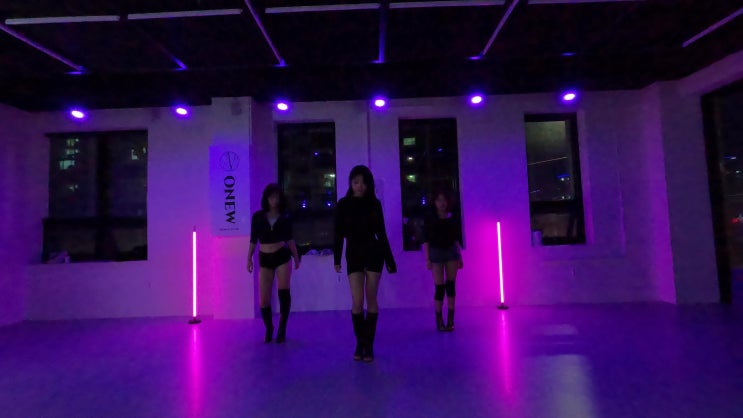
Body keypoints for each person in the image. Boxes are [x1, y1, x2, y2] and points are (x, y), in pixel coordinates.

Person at [334, 165, 396, 362]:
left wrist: (389, 259)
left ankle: (368, 345)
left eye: (363, 183)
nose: (359, 186)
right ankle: (360, 342)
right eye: (356, 182)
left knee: (371, 298)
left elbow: (381, 232)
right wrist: (336, 258)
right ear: (351, 184)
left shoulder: (374, 204)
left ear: (368, 184)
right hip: (353, 253)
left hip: (373, 252)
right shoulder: (343, 204)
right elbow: (338, 233)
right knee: (357, 301)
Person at [247, 183, 300, 343]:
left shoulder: (285, 216)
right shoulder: (258, 217)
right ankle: (269, 327)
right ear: (266, 198)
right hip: (264, 258)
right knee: (264, 299)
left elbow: (290, 239)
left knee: (283, 292)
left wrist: (296, 257)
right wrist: (248, 258)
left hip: (282, 255)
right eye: (271, 197)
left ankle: (282, 327)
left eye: (277, 197)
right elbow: (253, 240)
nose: (274, 200)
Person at [422, 189, 463, 332]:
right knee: (439, 288)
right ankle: (439, 319)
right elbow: (426, 240)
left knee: (451, 285)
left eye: (444, 200)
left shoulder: (452, 218)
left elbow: (456, 239)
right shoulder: (430, 219)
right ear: (434, 202)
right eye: (439, 200)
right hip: (436, 253)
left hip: (451, 253)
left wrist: (459, 256)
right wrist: (427, 259)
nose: (442, 203)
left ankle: (451, 318)